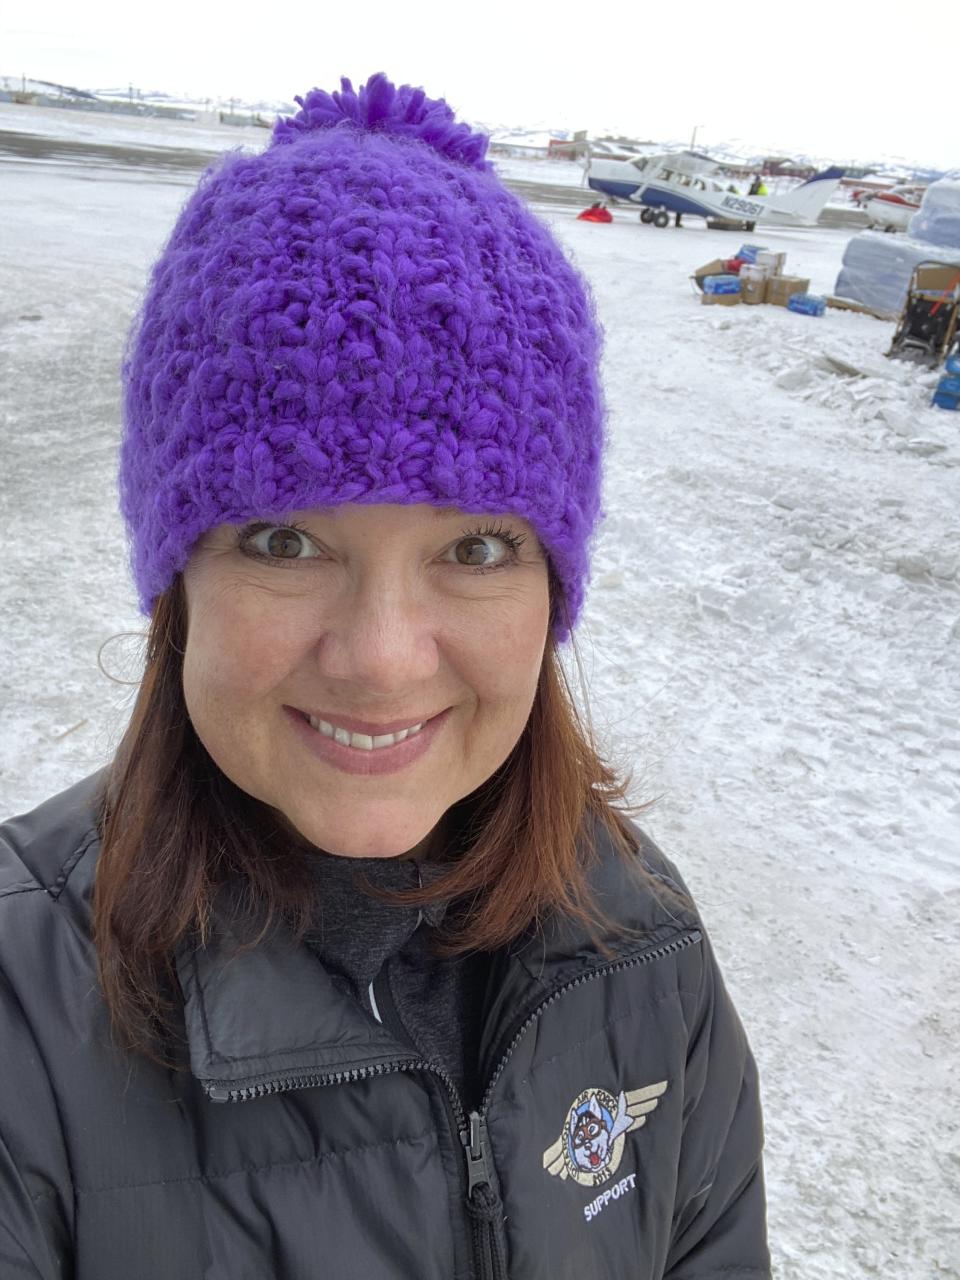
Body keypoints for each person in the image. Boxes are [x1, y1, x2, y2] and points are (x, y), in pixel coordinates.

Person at [0, 73, 770, 1279]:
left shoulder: (644, 952)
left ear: (549, 589)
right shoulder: (21, 1022)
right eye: (285, 541)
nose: (380, 655)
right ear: (176, 577)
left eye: (473, 548)